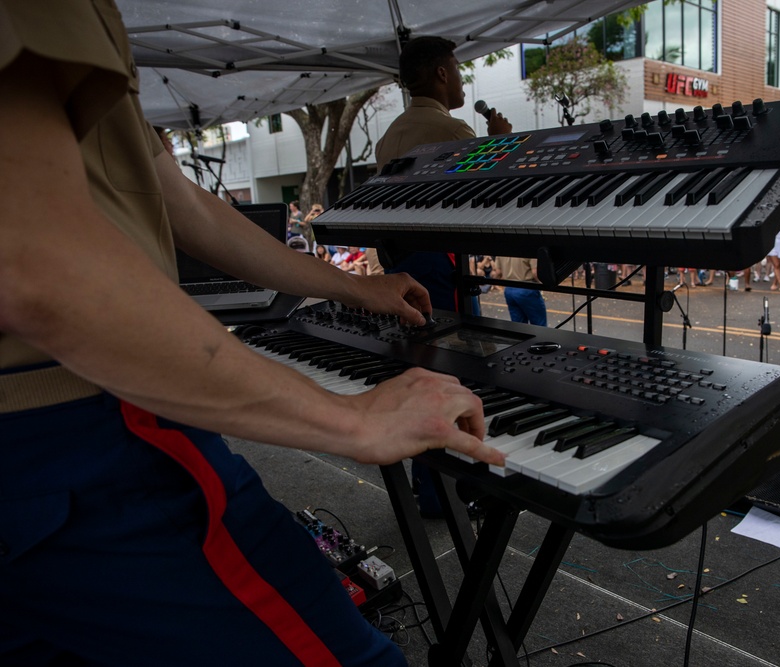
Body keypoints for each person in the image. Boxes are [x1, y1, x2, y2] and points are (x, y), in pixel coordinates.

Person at [0, 4, 504, 665]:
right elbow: (34, 267)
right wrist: (350, 418)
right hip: (85, 425)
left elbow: (185, 206)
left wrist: (352, 287)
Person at [372, 35, 511, 312]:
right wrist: (498, 142)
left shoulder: (388, 137)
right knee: (459, 344)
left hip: (398, 260)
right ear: (442, 74)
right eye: (458, 70)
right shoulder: (453, 130)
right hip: (439, 261)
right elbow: (484, 195)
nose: (461, 80)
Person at [492, 256, 548, 326]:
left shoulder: (502, 248)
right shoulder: (528, 247)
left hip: (509, 289)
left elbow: (498, 272)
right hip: (526, 288)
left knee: (518, 325)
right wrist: (544, 284)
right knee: (539, 324)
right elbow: (535, 272)